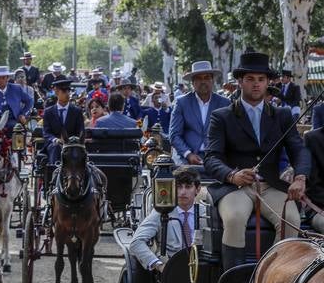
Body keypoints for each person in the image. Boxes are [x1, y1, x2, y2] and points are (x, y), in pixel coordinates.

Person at [204, 50, 310, 271]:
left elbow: (299, 150)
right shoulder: (221, 116)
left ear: (267, 82)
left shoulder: (283, 115)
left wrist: (300, 177)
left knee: (292, 220)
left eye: (261, 79)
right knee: (233, 219)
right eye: (250, 79)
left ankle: (276, 280)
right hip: (235, 188)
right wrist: (232, 175)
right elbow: (212, 158)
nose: (256, 84)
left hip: (271, 185)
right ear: (240, 82)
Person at [129, 167, 203, 271]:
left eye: (188, 187)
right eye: (178, 187)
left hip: (202, 268)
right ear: (171, 188)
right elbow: (136, 243)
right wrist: (158, 265)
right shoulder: (161, 212)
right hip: (171, 269)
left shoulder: (206, 212)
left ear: (197, 189)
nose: (182, 192)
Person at [169, 60, 230, 167]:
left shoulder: (224, 103)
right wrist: (188, 154)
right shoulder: (182, 102)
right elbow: (174, 135)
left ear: (212, 80)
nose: (203, 81)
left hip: (217, 158)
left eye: (207, 77)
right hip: (186, 159)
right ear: (192, 82)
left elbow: (229, 134)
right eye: (198, 78)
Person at [42, 76, 85, 166]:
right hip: (54, 145)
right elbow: (46, 132)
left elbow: (81, 131)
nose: (68, 94)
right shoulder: (48, 112)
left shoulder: (76, 111)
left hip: (73, 145)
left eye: (69, 91)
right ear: (57, 92)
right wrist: (56, 140)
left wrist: (73, 141)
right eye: (64, 91)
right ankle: (54, 175)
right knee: (56, 148)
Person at [0, 65, 33, 134]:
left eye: (3, 78)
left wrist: (23, 114)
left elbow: (29, 101)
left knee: (17, 130)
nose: (1, 80)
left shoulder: (16, 89)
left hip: (13, 120)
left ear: (7, 78)